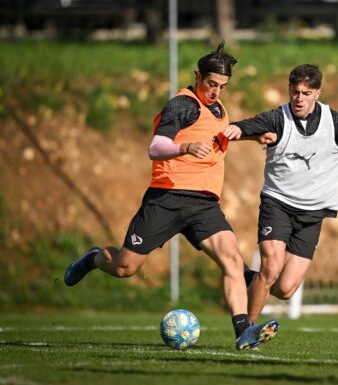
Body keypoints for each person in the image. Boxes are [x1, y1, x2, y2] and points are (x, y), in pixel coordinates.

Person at [63, 42, 279, 351]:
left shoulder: (218, 108)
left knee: (233, 261)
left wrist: (253, 135)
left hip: (204, 203)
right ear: (197, 76)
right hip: (166, 198)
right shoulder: (182, 104)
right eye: (211, 84)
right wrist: (185, 148)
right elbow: (155, 147)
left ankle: (243, 330)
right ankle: (96, 258)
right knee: (125, 267)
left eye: (222, 86)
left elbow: (214, 135)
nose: (216, 91)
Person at [222, 63, 338, 325]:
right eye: (295, 92)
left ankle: (250, 279)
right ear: (289, 90)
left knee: (285, 289)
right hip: (279, 204)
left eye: (306, 93)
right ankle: (247, 330)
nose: (299, 98)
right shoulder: (278, 118)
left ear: (318, 93)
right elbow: (251, 124)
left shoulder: (336, 122)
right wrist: (237, 128)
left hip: (313, 214)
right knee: (271, 268)